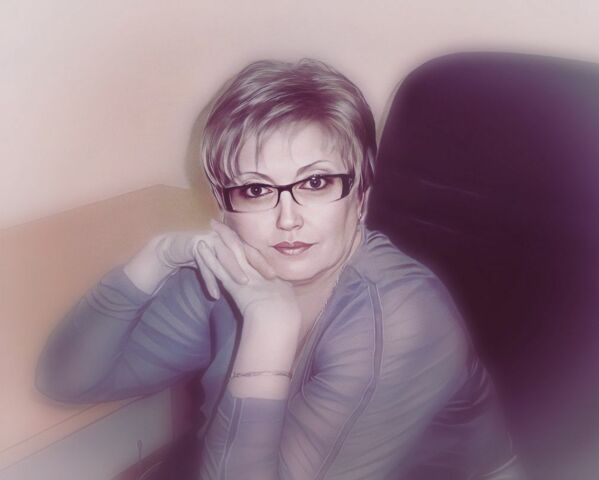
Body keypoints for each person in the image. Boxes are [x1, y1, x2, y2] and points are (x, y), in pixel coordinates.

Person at [36, 59, 524, 479]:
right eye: (254, 190)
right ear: (224, 207)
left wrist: (268, 327)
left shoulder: (398, 319)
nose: (287, 219)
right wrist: (152, 262)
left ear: (361, 194)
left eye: (315, 182)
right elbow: (67, 380)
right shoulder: (227, 276)